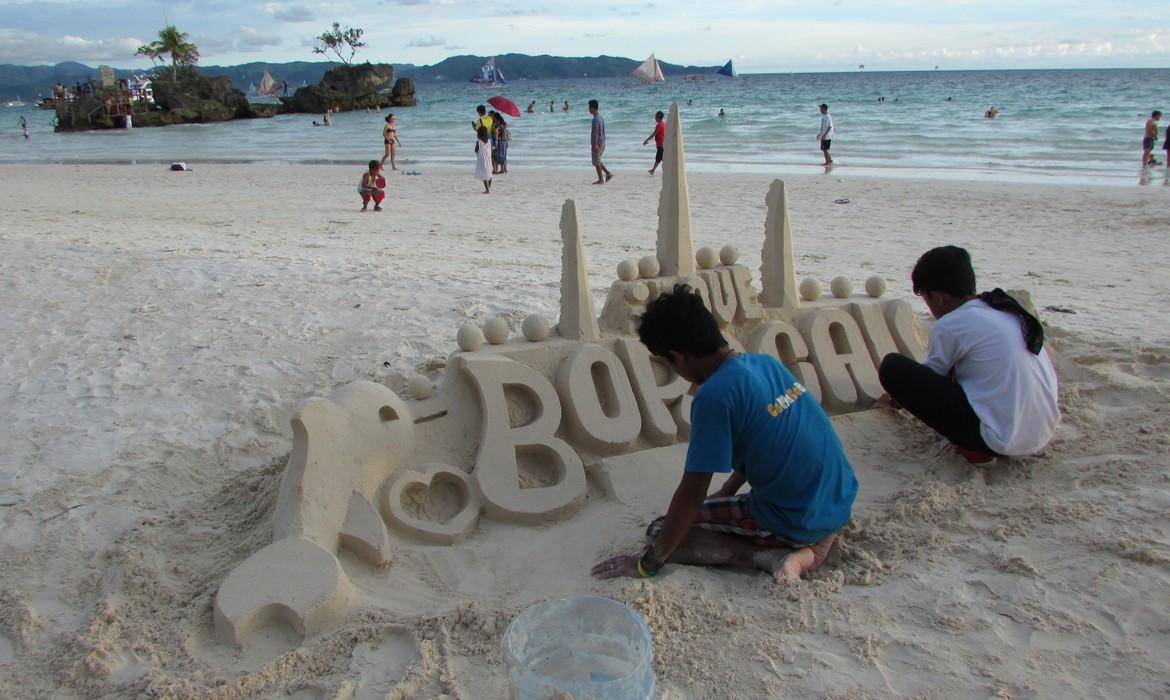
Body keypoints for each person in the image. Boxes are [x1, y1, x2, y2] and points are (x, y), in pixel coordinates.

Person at [590, 285, 857, 584]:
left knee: (661, 532)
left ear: (677, 358)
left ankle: (767, 556)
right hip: (839, 498)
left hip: (797, 517)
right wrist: (728, 490)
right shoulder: (766, 364)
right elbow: (763, 436)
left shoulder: (714, 397)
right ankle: (816, 543)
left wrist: (649, 564)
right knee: (701, 516)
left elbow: (693, 492)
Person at [877, 246, 1060, 463]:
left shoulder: (951, 324)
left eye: (926, 299)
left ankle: (974, 449)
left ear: (937, 297)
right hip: (1041, 432)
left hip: (997, 440)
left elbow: (932, 377)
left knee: (893, 368)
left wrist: (896, 398)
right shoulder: (1004, 310)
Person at [588, 99, 612, 184]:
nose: (588, 109)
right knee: (597, 160)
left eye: (589, 107)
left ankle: (601, 179)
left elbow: (596, 132)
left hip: (598, 143)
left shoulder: (595, 119)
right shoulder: (601, 118)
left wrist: (595, 144)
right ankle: (608, 173)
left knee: (596, 162)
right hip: (602, 143)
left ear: (593, 108)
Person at [643, 110, 666, 174]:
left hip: (661, 145)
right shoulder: (664, 124)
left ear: (658, 117)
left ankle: (654, 170)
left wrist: (647, 140)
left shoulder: (659, 125)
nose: (655, 118)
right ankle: (654, 170)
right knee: (661, 158)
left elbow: (654, 133)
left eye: (656, 117)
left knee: (659, 158)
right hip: (663, 144)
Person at [475, 126, 493, 194]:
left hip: (482, 159)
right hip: (489, 158)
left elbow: (476, 150)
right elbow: (491, 149)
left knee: (484, 175)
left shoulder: (479, 141)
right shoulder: (489, 141)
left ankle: (487, 190)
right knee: (489, 173)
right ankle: (489, 187)